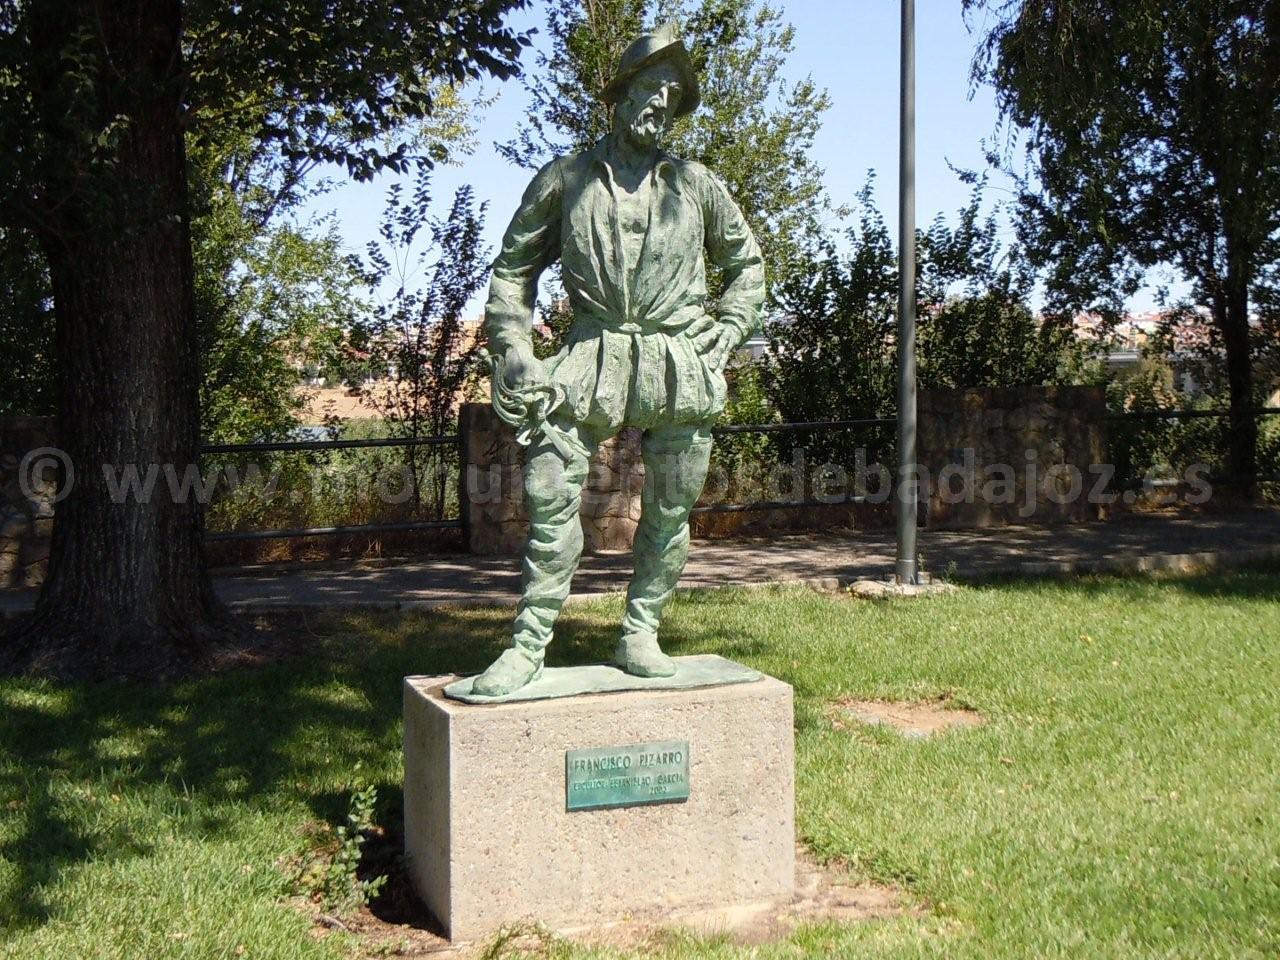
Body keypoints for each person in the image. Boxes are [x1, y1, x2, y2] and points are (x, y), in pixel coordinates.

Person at [474, 23, 765, 696]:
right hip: (591, 353)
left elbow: (746, 266)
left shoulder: (696, 185)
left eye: (673, 93)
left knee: (670, 507)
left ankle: (641, 630)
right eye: (649, 87)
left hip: (676, 357)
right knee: (550, 495)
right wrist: (515, 349)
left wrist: (729, 325)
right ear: (621, 95)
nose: (660, 103)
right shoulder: (568, 178)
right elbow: (513, 271)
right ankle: (528, 643)